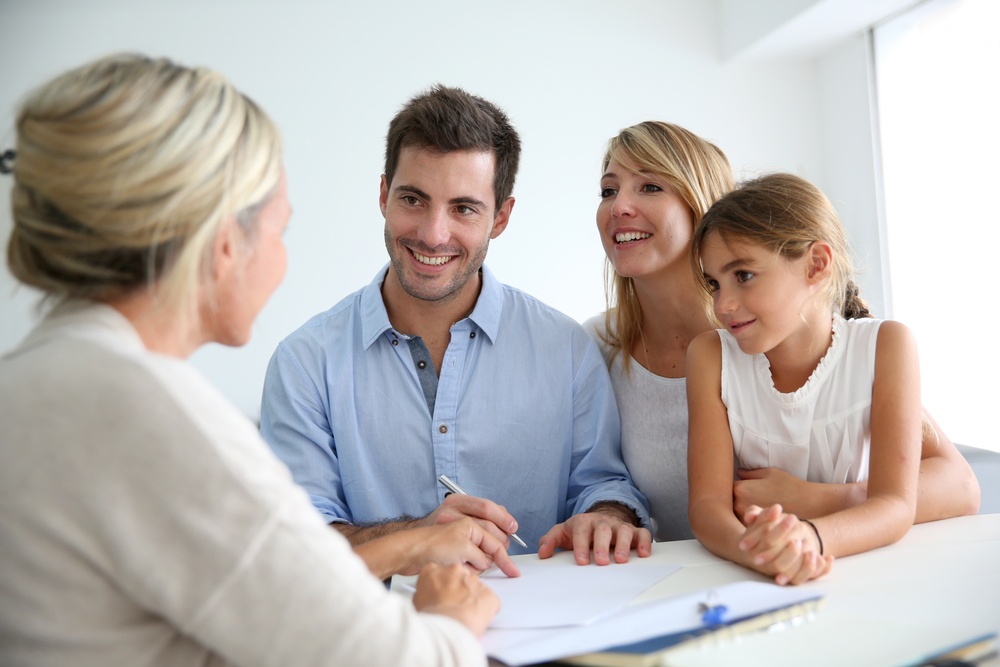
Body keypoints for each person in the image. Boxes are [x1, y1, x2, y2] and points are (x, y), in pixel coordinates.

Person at [0, 53, 506, 666]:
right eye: (278, 230)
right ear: (223, 245)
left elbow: (255, 577)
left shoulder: (34, 380)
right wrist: (453, 623)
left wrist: (410, 545)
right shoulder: (155, 420)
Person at [259, 84, 652, 566]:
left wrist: (607, 516)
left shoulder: (567, 349)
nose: (433, 234)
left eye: (463, 208)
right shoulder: (303, 363)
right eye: (413, 199)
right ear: (383, 195)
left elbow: (603, 485)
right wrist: (415, 537)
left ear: (501, 217)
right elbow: (296, 540)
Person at [586, 122, 979, 543]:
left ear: (703, 205)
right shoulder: (597, 346)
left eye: (649, 186)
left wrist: (820, 503)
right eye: (608, 190)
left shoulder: (780, 331)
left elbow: (955, 484)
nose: (619, 206)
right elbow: (596, 479)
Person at [687, 172, 922, 585]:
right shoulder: (710, 356)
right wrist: (759, 554)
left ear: (816, 265)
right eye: (714, 284)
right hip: (761, 579)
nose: (722, 305)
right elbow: (707, 508)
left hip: (860, 574)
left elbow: (896, 505)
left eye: (743, 275)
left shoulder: (887, 346)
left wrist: (809, 540)